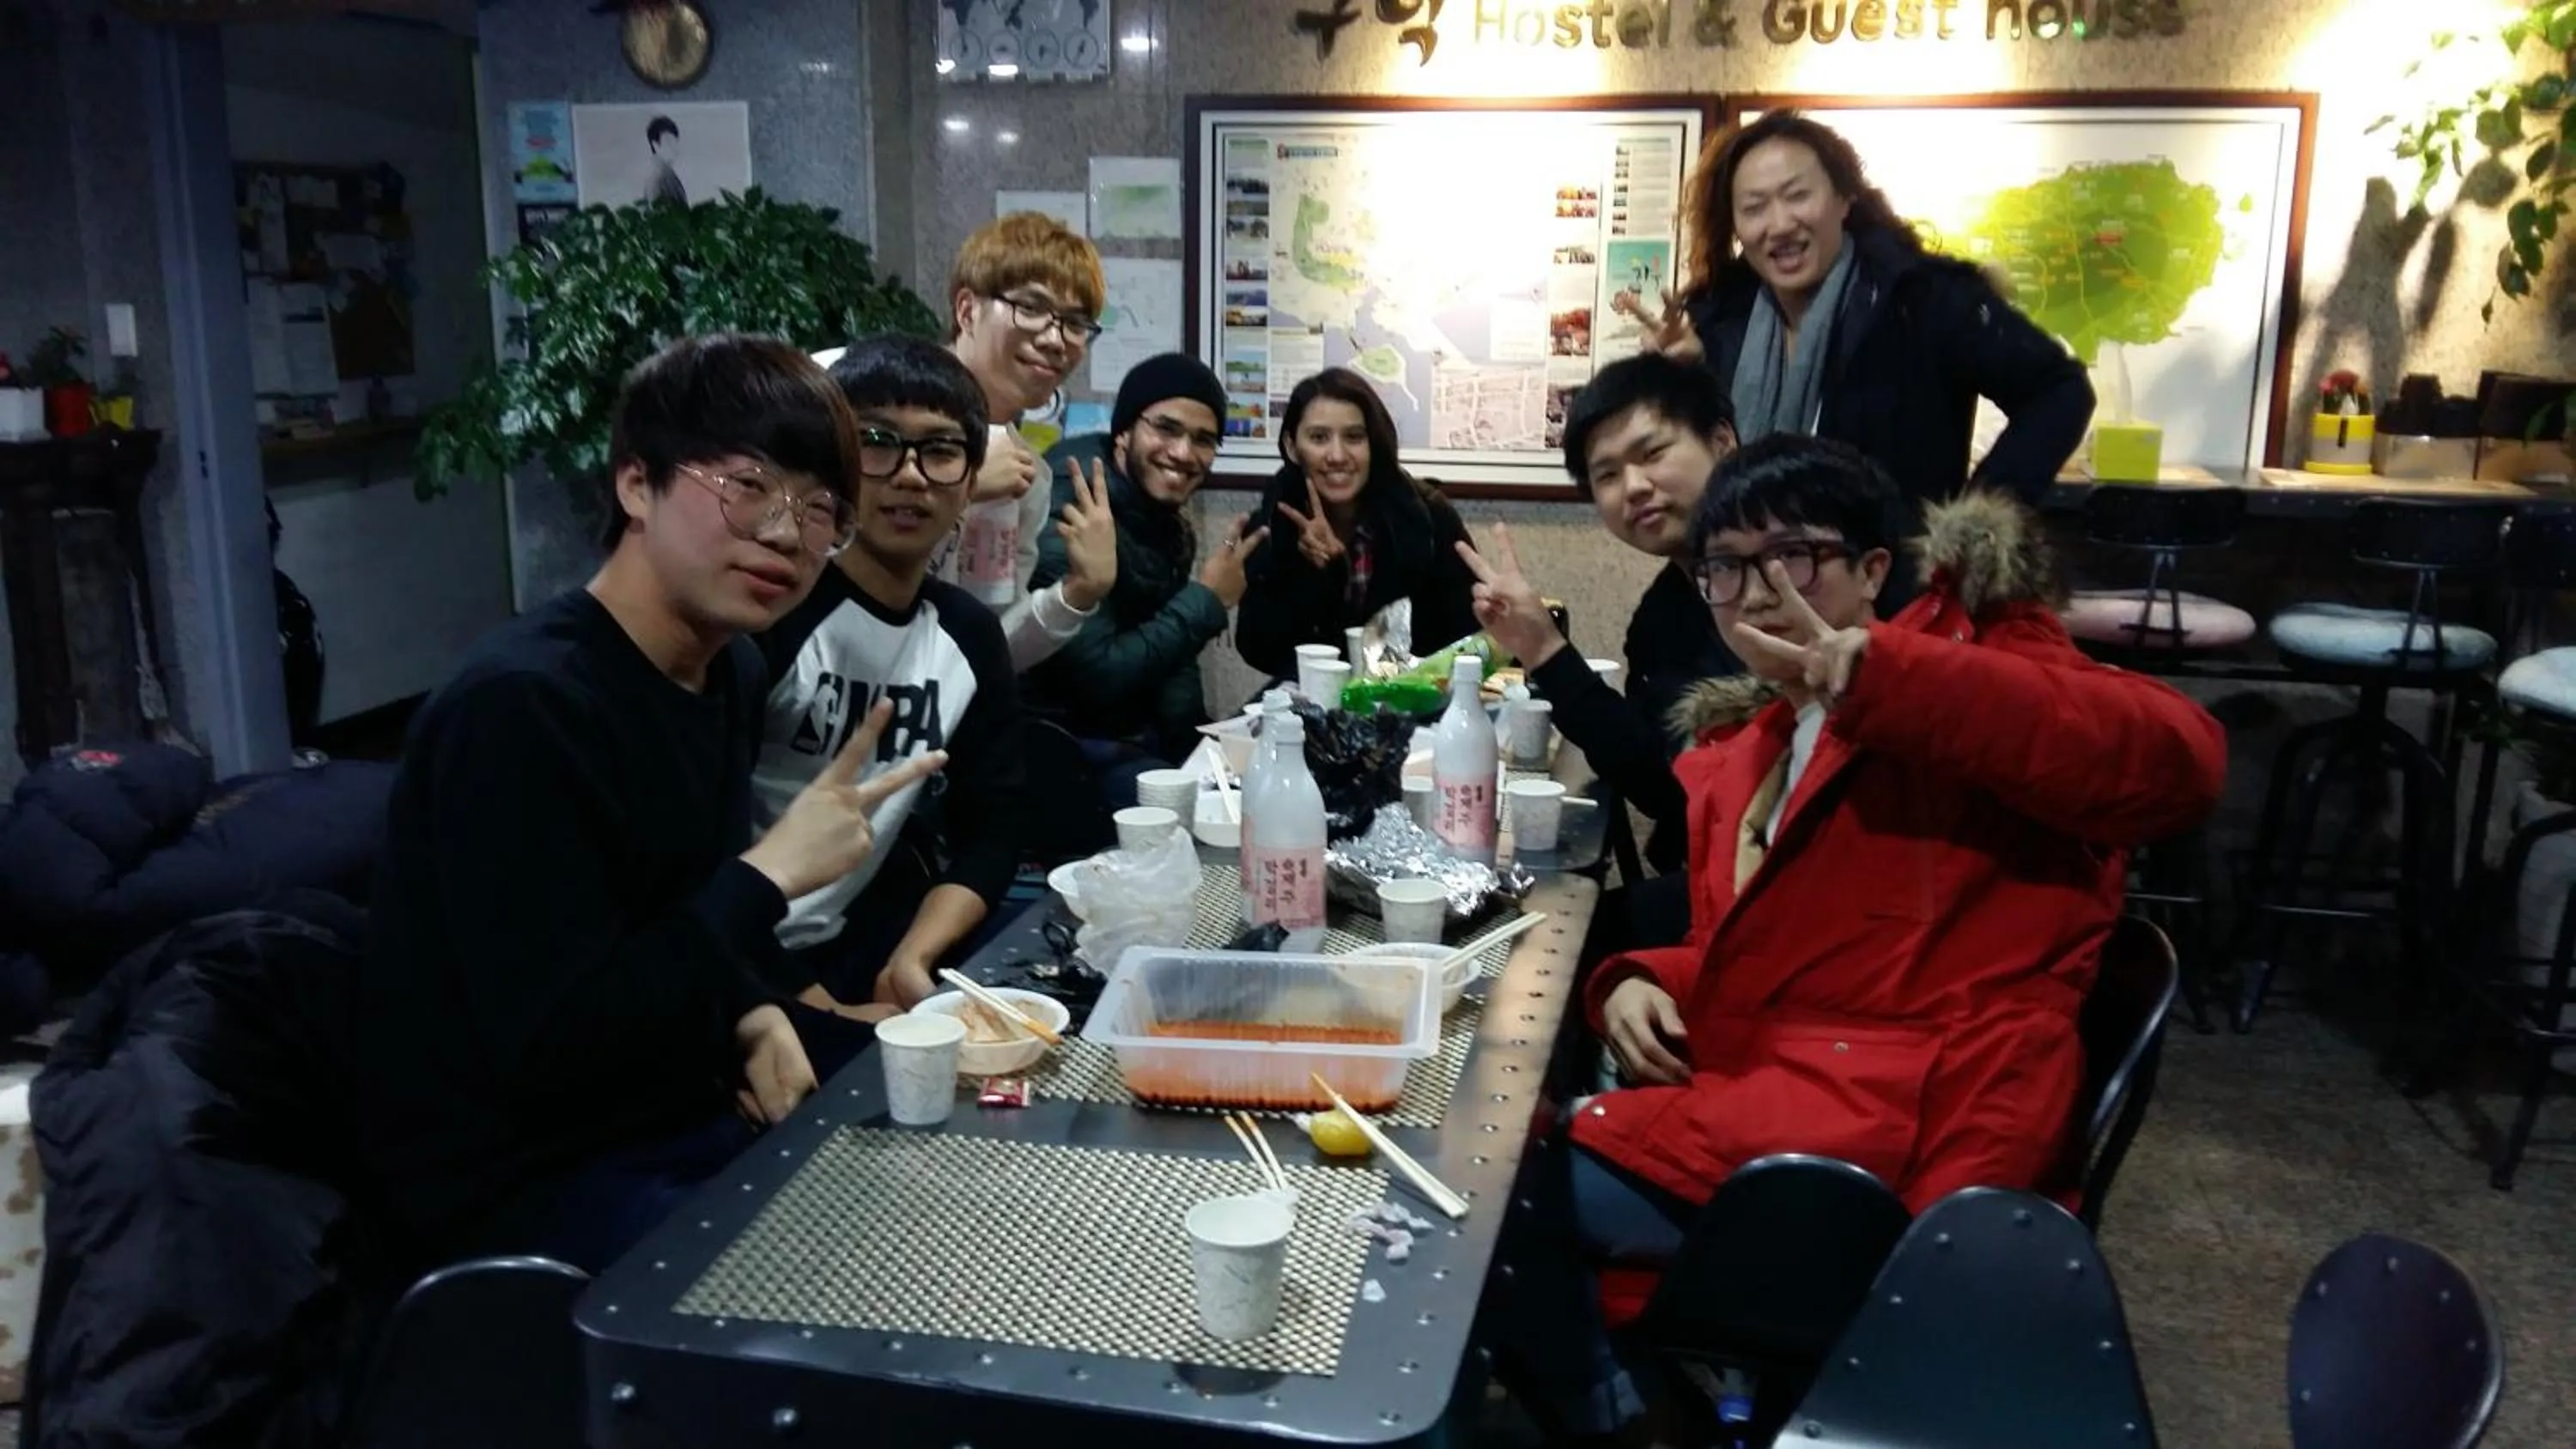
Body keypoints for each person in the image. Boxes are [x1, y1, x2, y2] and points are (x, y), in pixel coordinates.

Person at [1494, 436, 2225, 1443]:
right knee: (1504, 1140)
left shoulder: (1966, 676)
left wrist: (1890, 677)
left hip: (1904, 1144)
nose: (1756, 592)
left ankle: (1625, 1420)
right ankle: (1641, 1407)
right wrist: (1629, 980)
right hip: (1796, 1096)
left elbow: (2180, 761)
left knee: (1485, 1191)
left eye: (1790, 556)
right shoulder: (1762, 742)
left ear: (1875, 568)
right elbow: (1789, 960)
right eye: (1727, 568)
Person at [354, 334, 945, 1274]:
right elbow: (554, 1043)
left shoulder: (729, 669)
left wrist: (753, 1008)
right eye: (748, 486)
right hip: (521, 1170)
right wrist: (769, 875)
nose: (788, 535)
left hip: (665, 1087)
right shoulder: (523, 706)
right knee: (874, 1259)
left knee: (953, 1124)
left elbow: (671, 917)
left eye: (821, 508)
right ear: (638, 484)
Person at [1625, 109, 2093, 513]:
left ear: (1844, 198)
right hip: (1752, 590)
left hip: (1891, 602)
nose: (1780, 224)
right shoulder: (1720, 322)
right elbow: (1703, 468)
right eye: (1755, 208)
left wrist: (1975, 523)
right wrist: (1689, 375)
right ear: (1736, 226)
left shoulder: (1922, 300)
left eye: (1797, 195)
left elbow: (2059, 390)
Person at [753, 336, 1028, 1017]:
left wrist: (915, 955)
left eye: (939, 451)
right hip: (730, 960)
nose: (910, 476)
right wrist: (811, 1007)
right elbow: (686, 856)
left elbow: (993, 829)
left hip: (858, 940)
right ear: (835, 464)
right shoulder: (770, 614)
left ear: (969, 481)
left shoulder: (966, 635)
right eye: (877, 442)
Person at [1454, 353, 1741, 879]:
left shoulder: (1801, 569)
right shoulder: (1662, 617)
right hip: (1719, 877)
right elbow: (1660, 786)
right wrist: (1542, 650)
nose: (1633, 486)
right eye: (1607, 474)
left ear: (1721, 444)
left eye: (1652, 452)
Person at [1030, 354, 1270, 794]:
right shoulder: (1074, 507)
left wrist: (1203, 756)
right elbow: (1096, 678)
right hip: (1065, 753)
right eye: (1166, 428)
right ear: (1124, 432)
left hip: (1133, 744)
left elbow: (1172, 669)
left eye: (1203, 439)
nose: (1183, 453)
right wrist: (1207, 600)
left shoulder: (1160, 519)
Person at [942, 211, 1118, 670]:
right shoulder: (864, 391)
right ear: (967, 310)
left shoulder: (1028, 476)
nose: (1056, 339)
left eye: (1076, 322)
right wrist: (958, 486)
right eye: (1033, 307)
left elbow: (987, 649)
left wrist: (1080, 591)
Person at [1236, 367, 1479, 681]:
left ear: (1374, 445)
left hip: (1414, 700)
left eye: (1354, 437)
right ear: (1293, 446)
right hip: (1314, 703)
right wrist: (1315, 576)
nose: (1337, 455)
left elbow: (1467, 635)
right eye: (1319, 437)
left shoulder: (1427, 515)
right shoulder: (1273, 521)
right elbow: (1257, 648)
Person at [646, 115, 686, 204]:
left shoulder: (660, 173)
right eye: (668, 142)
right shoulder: (663, 176)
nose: (674, 147)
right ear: (655, 145)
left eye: (675, 141)